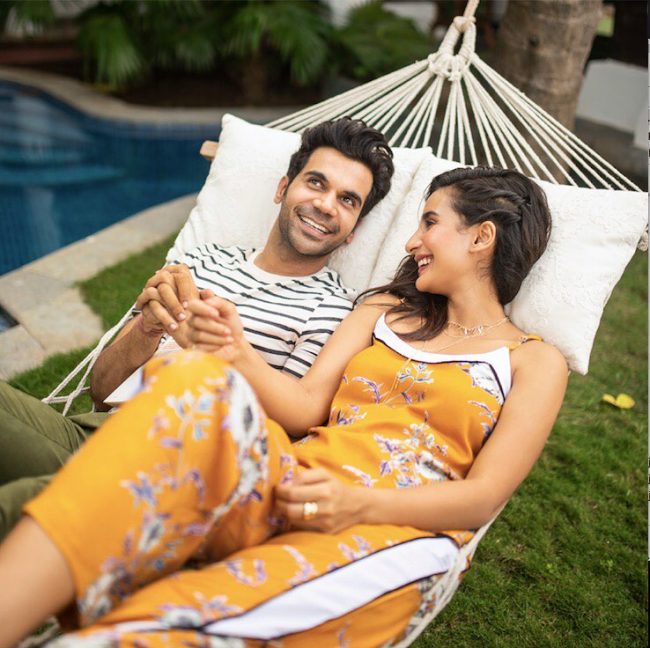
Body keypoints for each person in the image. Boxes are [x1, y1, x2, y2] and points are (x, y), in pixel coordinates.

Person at [0, 167, 568, 647]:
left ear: (481, 237)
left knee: (177, 617)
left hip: (392, 531)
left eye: (430, 223)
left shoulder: (533, 361)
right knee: (195, 376)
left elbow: (483, 497)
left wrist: (359, 503)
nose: (411, 242)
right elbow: (303, 407)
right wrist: (235, 350)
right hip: (289, 482)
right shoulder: (383, 311)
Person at [0, 118, 394, 541]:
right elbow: (100, 390)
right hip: (92, 431)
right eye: (316, 182)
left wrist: (223, 349)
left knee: (16, 507)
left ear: (353, 231)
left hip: (163, 469)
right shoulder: (203, 260)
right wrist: (148, 329)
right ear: (283, 188)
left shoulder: (331, 310)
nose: (327, 205)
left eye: (348, 200)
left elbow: (292, 429)